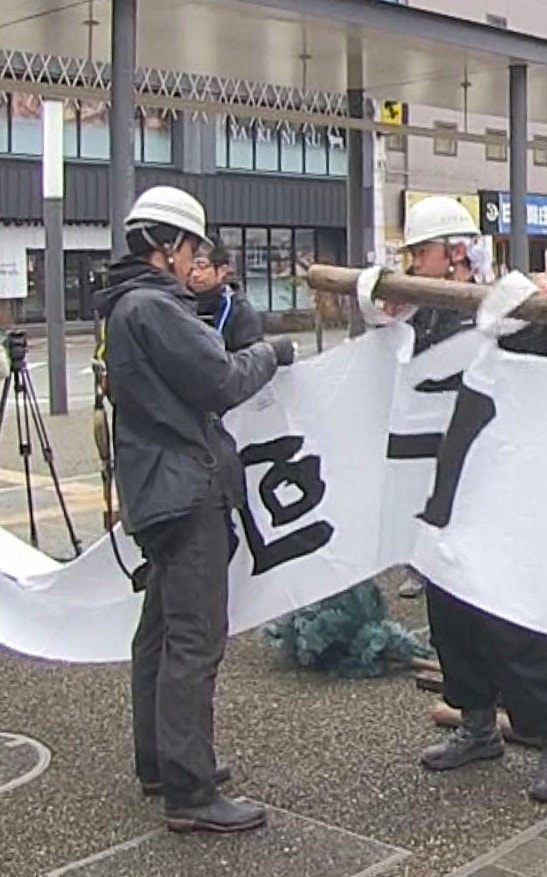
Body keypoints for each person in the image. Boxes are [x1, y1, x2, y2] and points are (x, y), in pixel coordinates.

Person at [93, 186, 296, 833]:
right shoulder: (156, 307)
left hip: (157, 491)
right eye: (190, 248)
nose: (194, 262)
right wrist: (271, 353)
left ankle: (162, 759)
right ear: (165, 246)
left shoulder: (124, 306)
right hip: (187, 490)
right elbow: (220, 379)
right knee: (194, 640)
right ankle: (190, 789)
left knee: (158, 631)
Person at [385, 195, 547, 803]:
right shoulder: (416, 320)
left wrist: (544, 314)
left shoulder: (501, 310)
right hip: (443, 498)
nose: (415, 263)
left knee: (513, 623)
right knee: (452, 621)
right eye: (412, 253)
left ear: (457, 254)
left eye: (423, 252)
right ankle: (475, 723)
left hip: (499, 493)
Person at [188, 240, 263, 352]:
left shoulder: (240, 311)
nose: (195, 274)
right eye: (191, 267)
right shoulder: (176, 302)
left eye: (202, 266)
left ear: (222, 270)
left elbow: (251, 361)